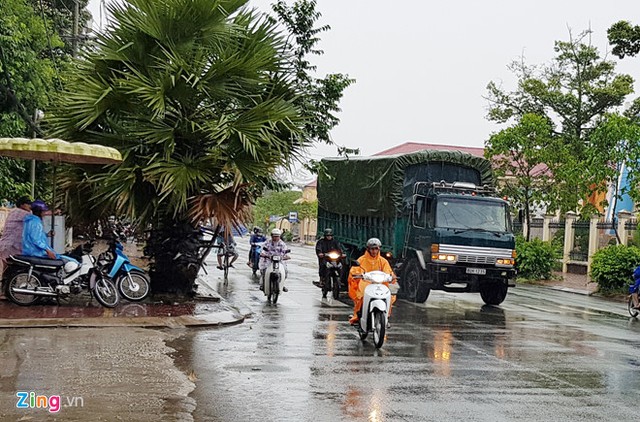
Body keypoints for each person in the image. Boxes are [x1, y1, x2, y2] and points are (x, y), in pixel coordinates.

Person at [347, 237, 397, 326]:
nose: (374, 251)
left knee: (390, 296)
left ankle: (385, 317)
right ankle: (358, 316)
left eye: (376, 249)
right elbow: (355, 270)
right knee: (361, 295)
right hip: (365, 283)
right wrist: (358, 275)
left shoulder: (383, 261)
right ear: (368, 249)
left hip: (379, 283)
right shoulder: (361, 260)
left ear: (379, 249)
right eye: (372, 249)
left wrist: (391, 276)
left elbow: (388, 271)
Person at [0, 196, 32, 274]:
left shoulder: (13, 212)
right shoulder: (21, 213)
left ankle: (4, 284)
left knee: (5, 270)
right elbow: (35, 217)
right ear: (21, 205)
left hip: (6, 244)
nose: (30, 206)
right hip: (12, 246)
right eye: (27, 204)